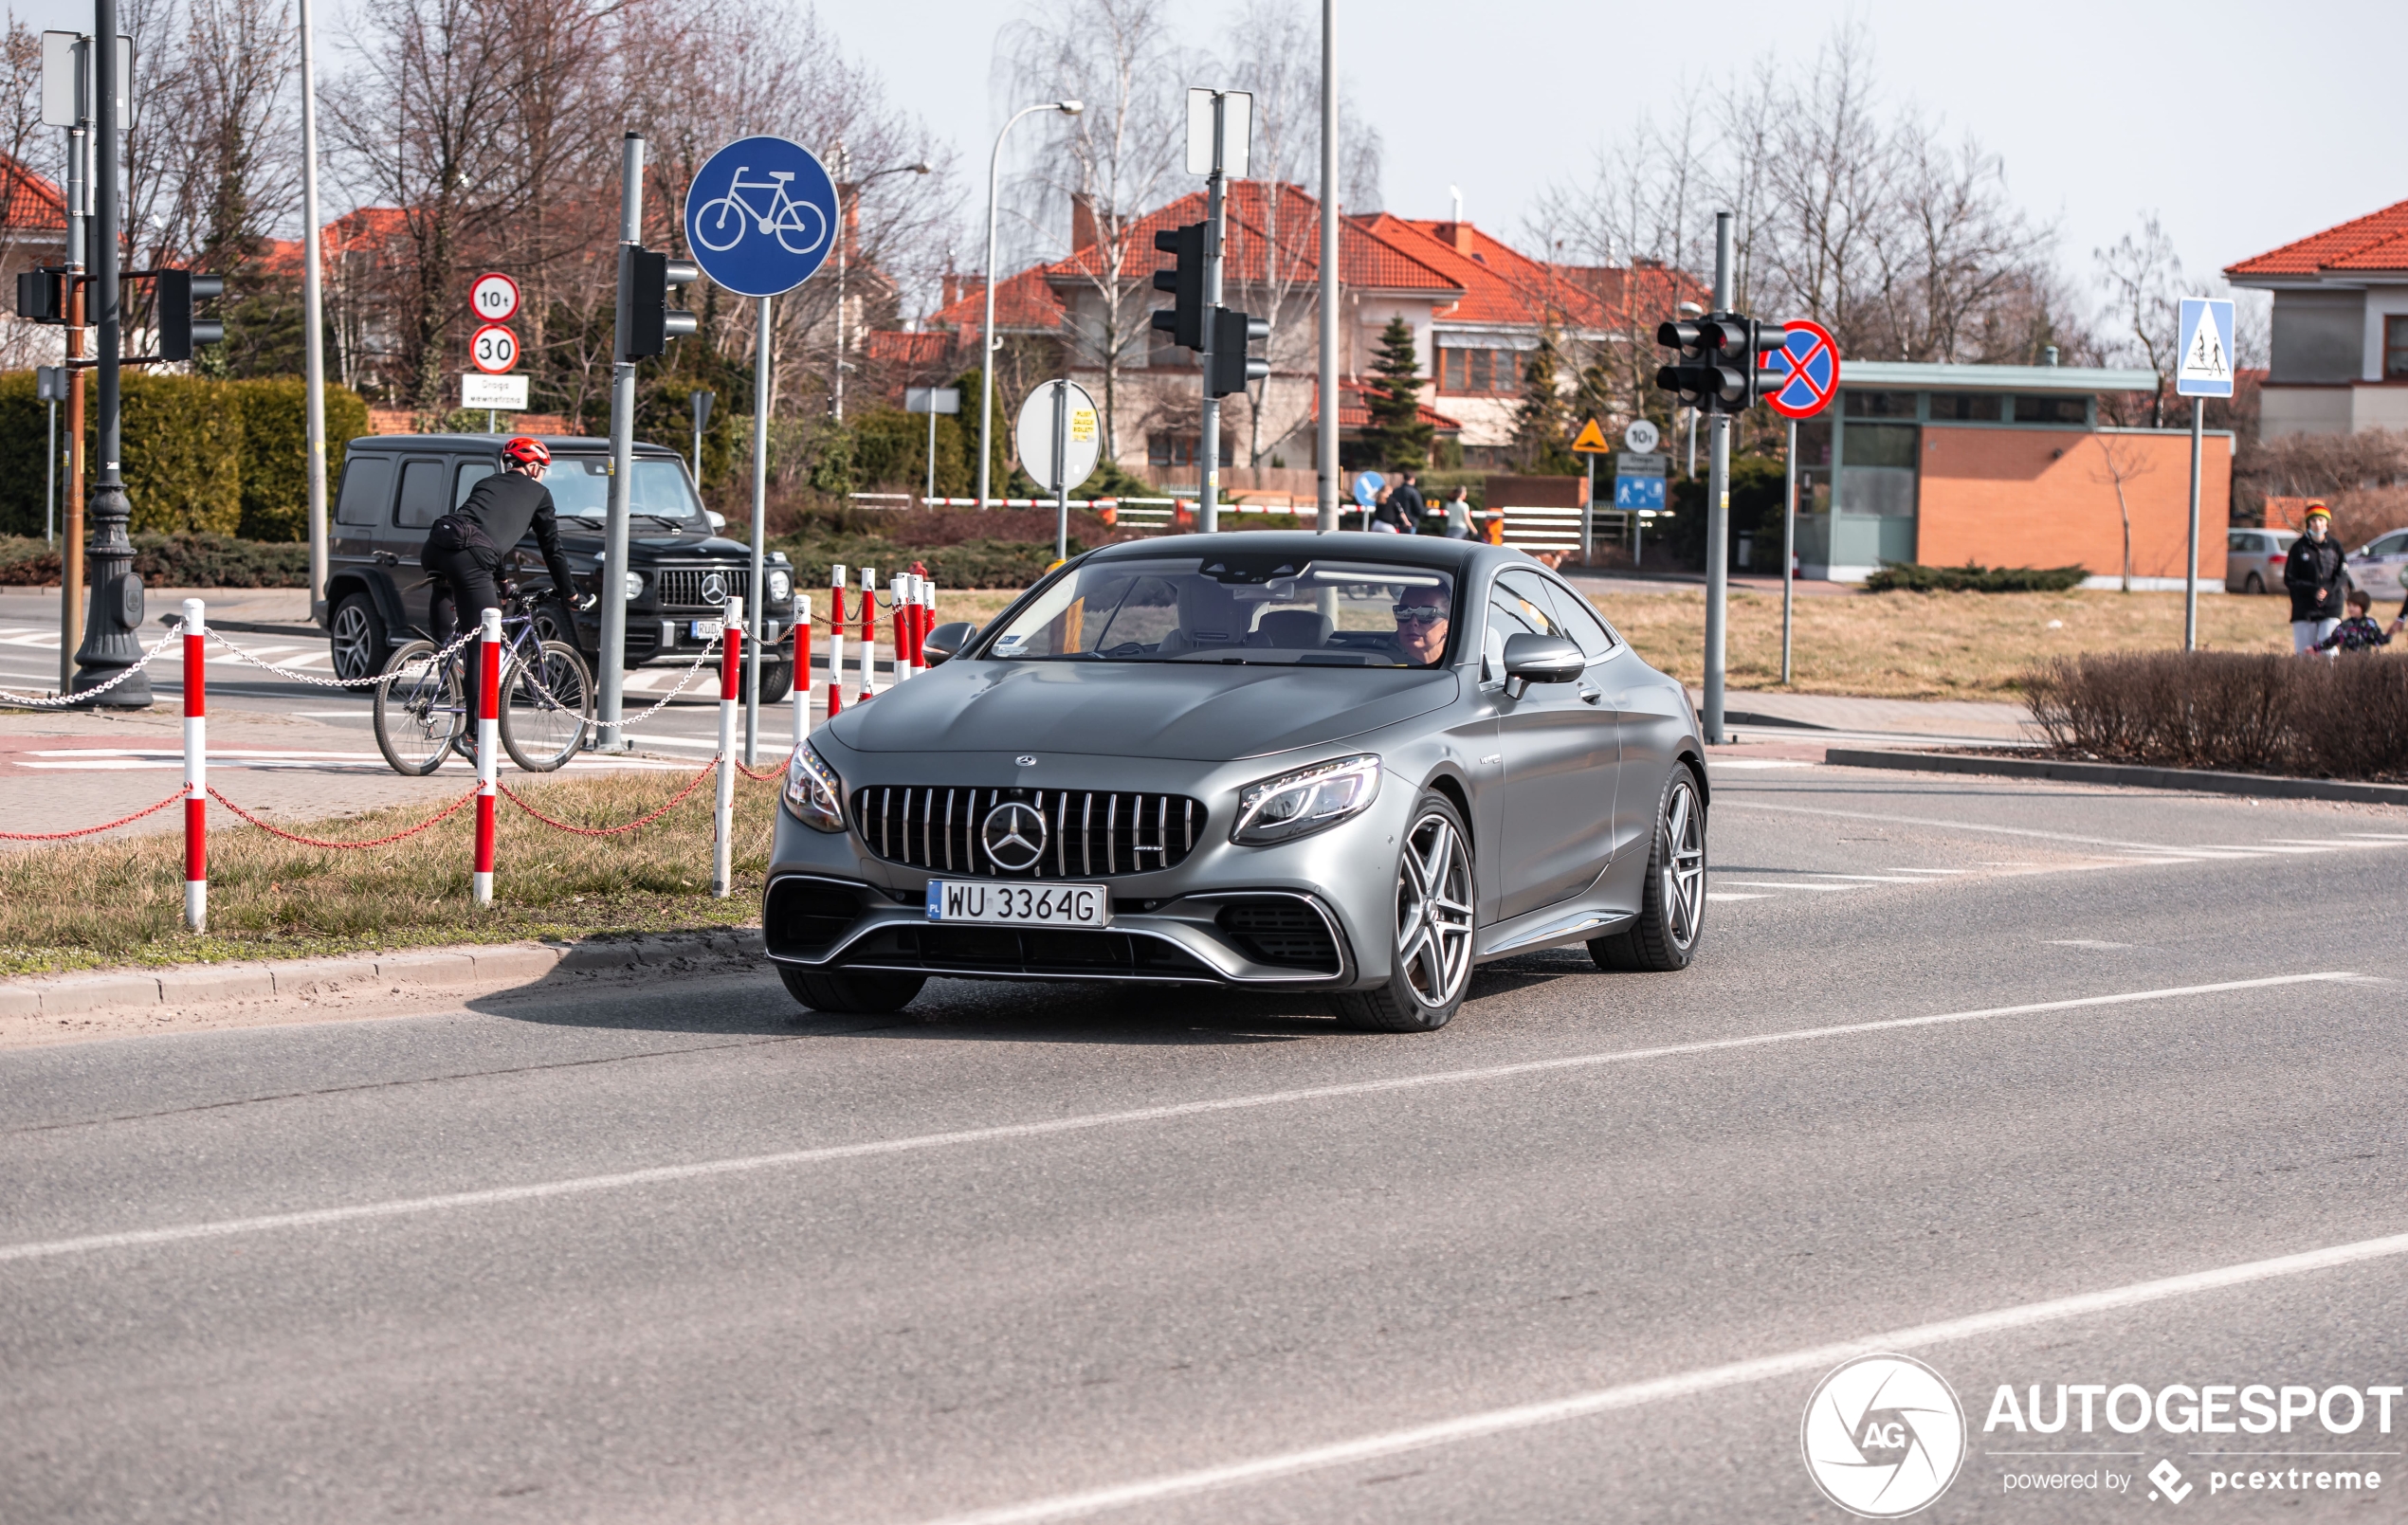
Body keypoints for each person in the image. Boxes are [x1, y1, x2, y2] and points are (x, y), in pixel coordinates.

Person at [419, 436, 588, 727]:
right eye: (543, 469)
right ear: (534, 467)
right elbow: (552, 550)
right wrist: (570, 594)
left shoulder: (486, 484)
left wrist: (503, 581)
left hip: (436, 548)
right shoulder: (540, 494)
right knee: (483, 649)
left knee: (451, 630)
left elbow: (485, 533)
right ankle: (473, 736)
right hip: (472, 559)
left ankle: (447, 665)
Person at [2284, 502, 2347, 655]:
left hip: (2331, 607)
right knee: (2304, 653)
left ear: (2327, 522)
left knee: (2328, 652)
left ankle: (2332, 679)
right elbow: (2289, 579)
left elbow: (2342, 575)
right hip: (2305, 609)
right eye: (2313, 520)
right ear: (2308, 523)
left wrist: (2327, 590)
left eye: (2321, 519)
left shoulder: (2335, 546)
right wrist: (2313, 590)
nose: (2317, 524)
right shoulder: (2299, 548)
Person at [2315, 589, 2392, 654]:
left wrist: (2389, 633)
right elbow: (2332, 640)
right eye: (2349, 605)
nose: (2351, 608)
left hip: (2364, 661)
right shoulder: (2345, 625)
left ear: (2363, 607)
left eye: (2355, 606)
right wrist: (2315, 648)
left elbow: (2378, 640)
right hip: (2346, 661)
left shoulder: (2369, 624)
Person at [1391, 583, 1450, 666]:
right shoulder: (1384, 669)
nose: (1413, 622)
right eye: (1404, 612)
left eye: (1426, 614)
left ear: (1448, 624)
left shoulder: (1461, 669)